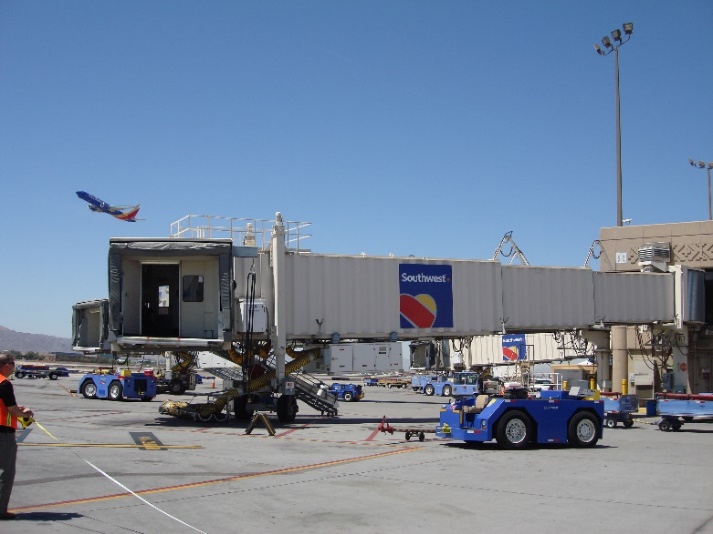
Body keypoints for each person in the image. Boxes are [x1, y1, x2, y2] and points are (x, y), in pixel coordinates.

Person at [0, 353, 34, 520]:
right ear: (6, 366)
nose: (14, 366)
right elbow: (13, 411)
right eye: (12, 363)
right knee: (5, 472)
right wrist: (26, 413)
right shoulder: (4, 383)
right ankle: (1, 510)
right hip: (3, 433)